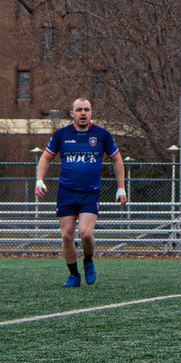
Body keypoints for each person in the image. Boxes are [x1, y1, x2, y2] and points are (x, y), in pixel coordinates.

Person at [35, 97, 127, 288]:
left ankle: (88, 259)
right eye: (79, 110)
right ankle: (74, 275)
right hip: (66, 192)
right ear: (72, 113)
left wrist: (121, 187)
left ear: (91, 112)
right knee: (67, 235)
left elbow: (117, 160)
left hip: (90, 193)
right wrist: (39, 181)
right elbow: (45, 158)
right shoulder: (61, 135)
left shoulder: (102, 135)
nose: (83, 113)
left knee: (85, 233)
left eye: (86, 109)